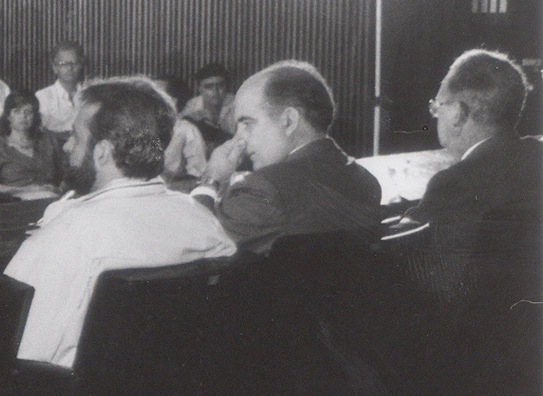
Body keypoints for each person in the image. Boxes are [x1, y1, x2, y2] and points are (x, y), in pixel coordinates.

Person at [5, 79, 237, 367]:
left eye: (76, 137)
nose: (66, 147)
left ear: (102, 152)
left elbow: (22, 348)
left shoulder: (67, 235)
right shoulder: (204, 223)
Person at [191, 61, 383, 254]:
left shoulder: (262, 191)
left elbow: (192, 241)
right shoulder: (365, 179)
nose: (239, 138)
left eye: (247, 124)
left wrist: (211, 180)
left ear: (289, 121)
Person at [403, 48, 540, 264]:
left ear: (458, 112)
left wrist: (411, 219)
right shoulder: (537, 155)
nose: (435, 114)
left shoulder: (453, 184)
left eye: (438, 105)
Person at [0, 90, 66, 199]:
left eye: (28, 112)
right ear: (8, 116)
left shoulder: (49, 141)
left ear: (35, 116)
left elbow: (65, 174)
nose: (23, 116)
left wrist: (59, 189)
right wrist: (24, 190)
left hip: (52, 197)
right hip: (15, 200)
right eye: (17, 111)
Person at [36, 41, 87, 136]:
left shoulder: (89, 94)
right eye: (63, 63)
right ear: (55, 67)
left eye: (74, 63)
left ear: (81, 65)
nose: (69, 68)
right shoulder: (43, 96)